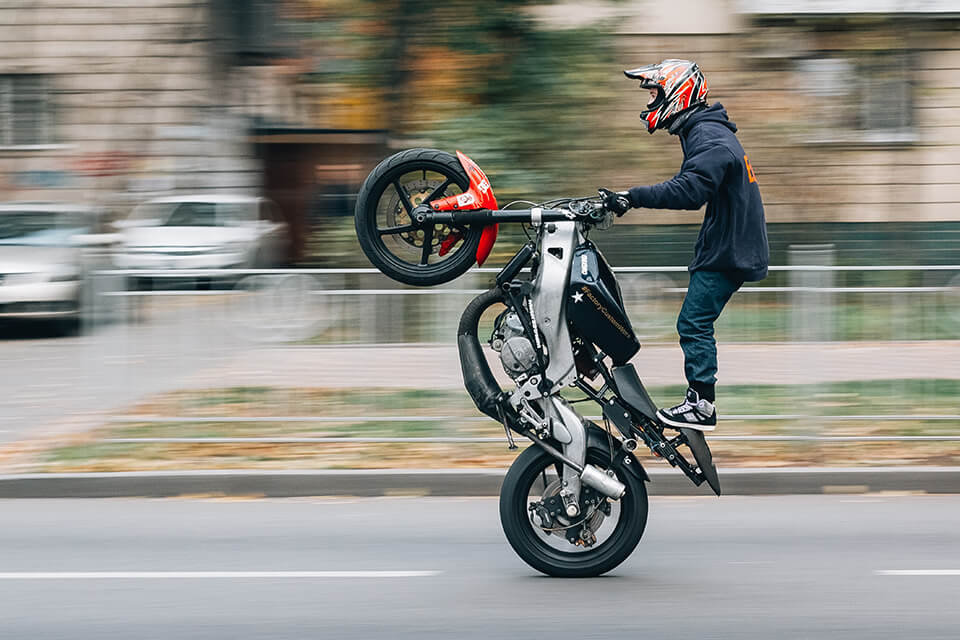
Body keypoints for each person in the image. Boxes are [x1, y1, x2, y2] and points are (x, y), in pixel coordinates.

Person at [601, 59, 769, 432]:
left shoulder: (708, 136)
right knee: (694, 322)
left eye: (654, 92)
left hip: (730, 250)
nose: (649, 102)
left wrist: (632, 197)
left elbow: (690, 190)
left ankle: (701, 405)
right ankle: (700, 401)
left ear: (678, 93)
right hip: (730, 244)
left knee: (693, 323)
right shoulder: (705, 130)